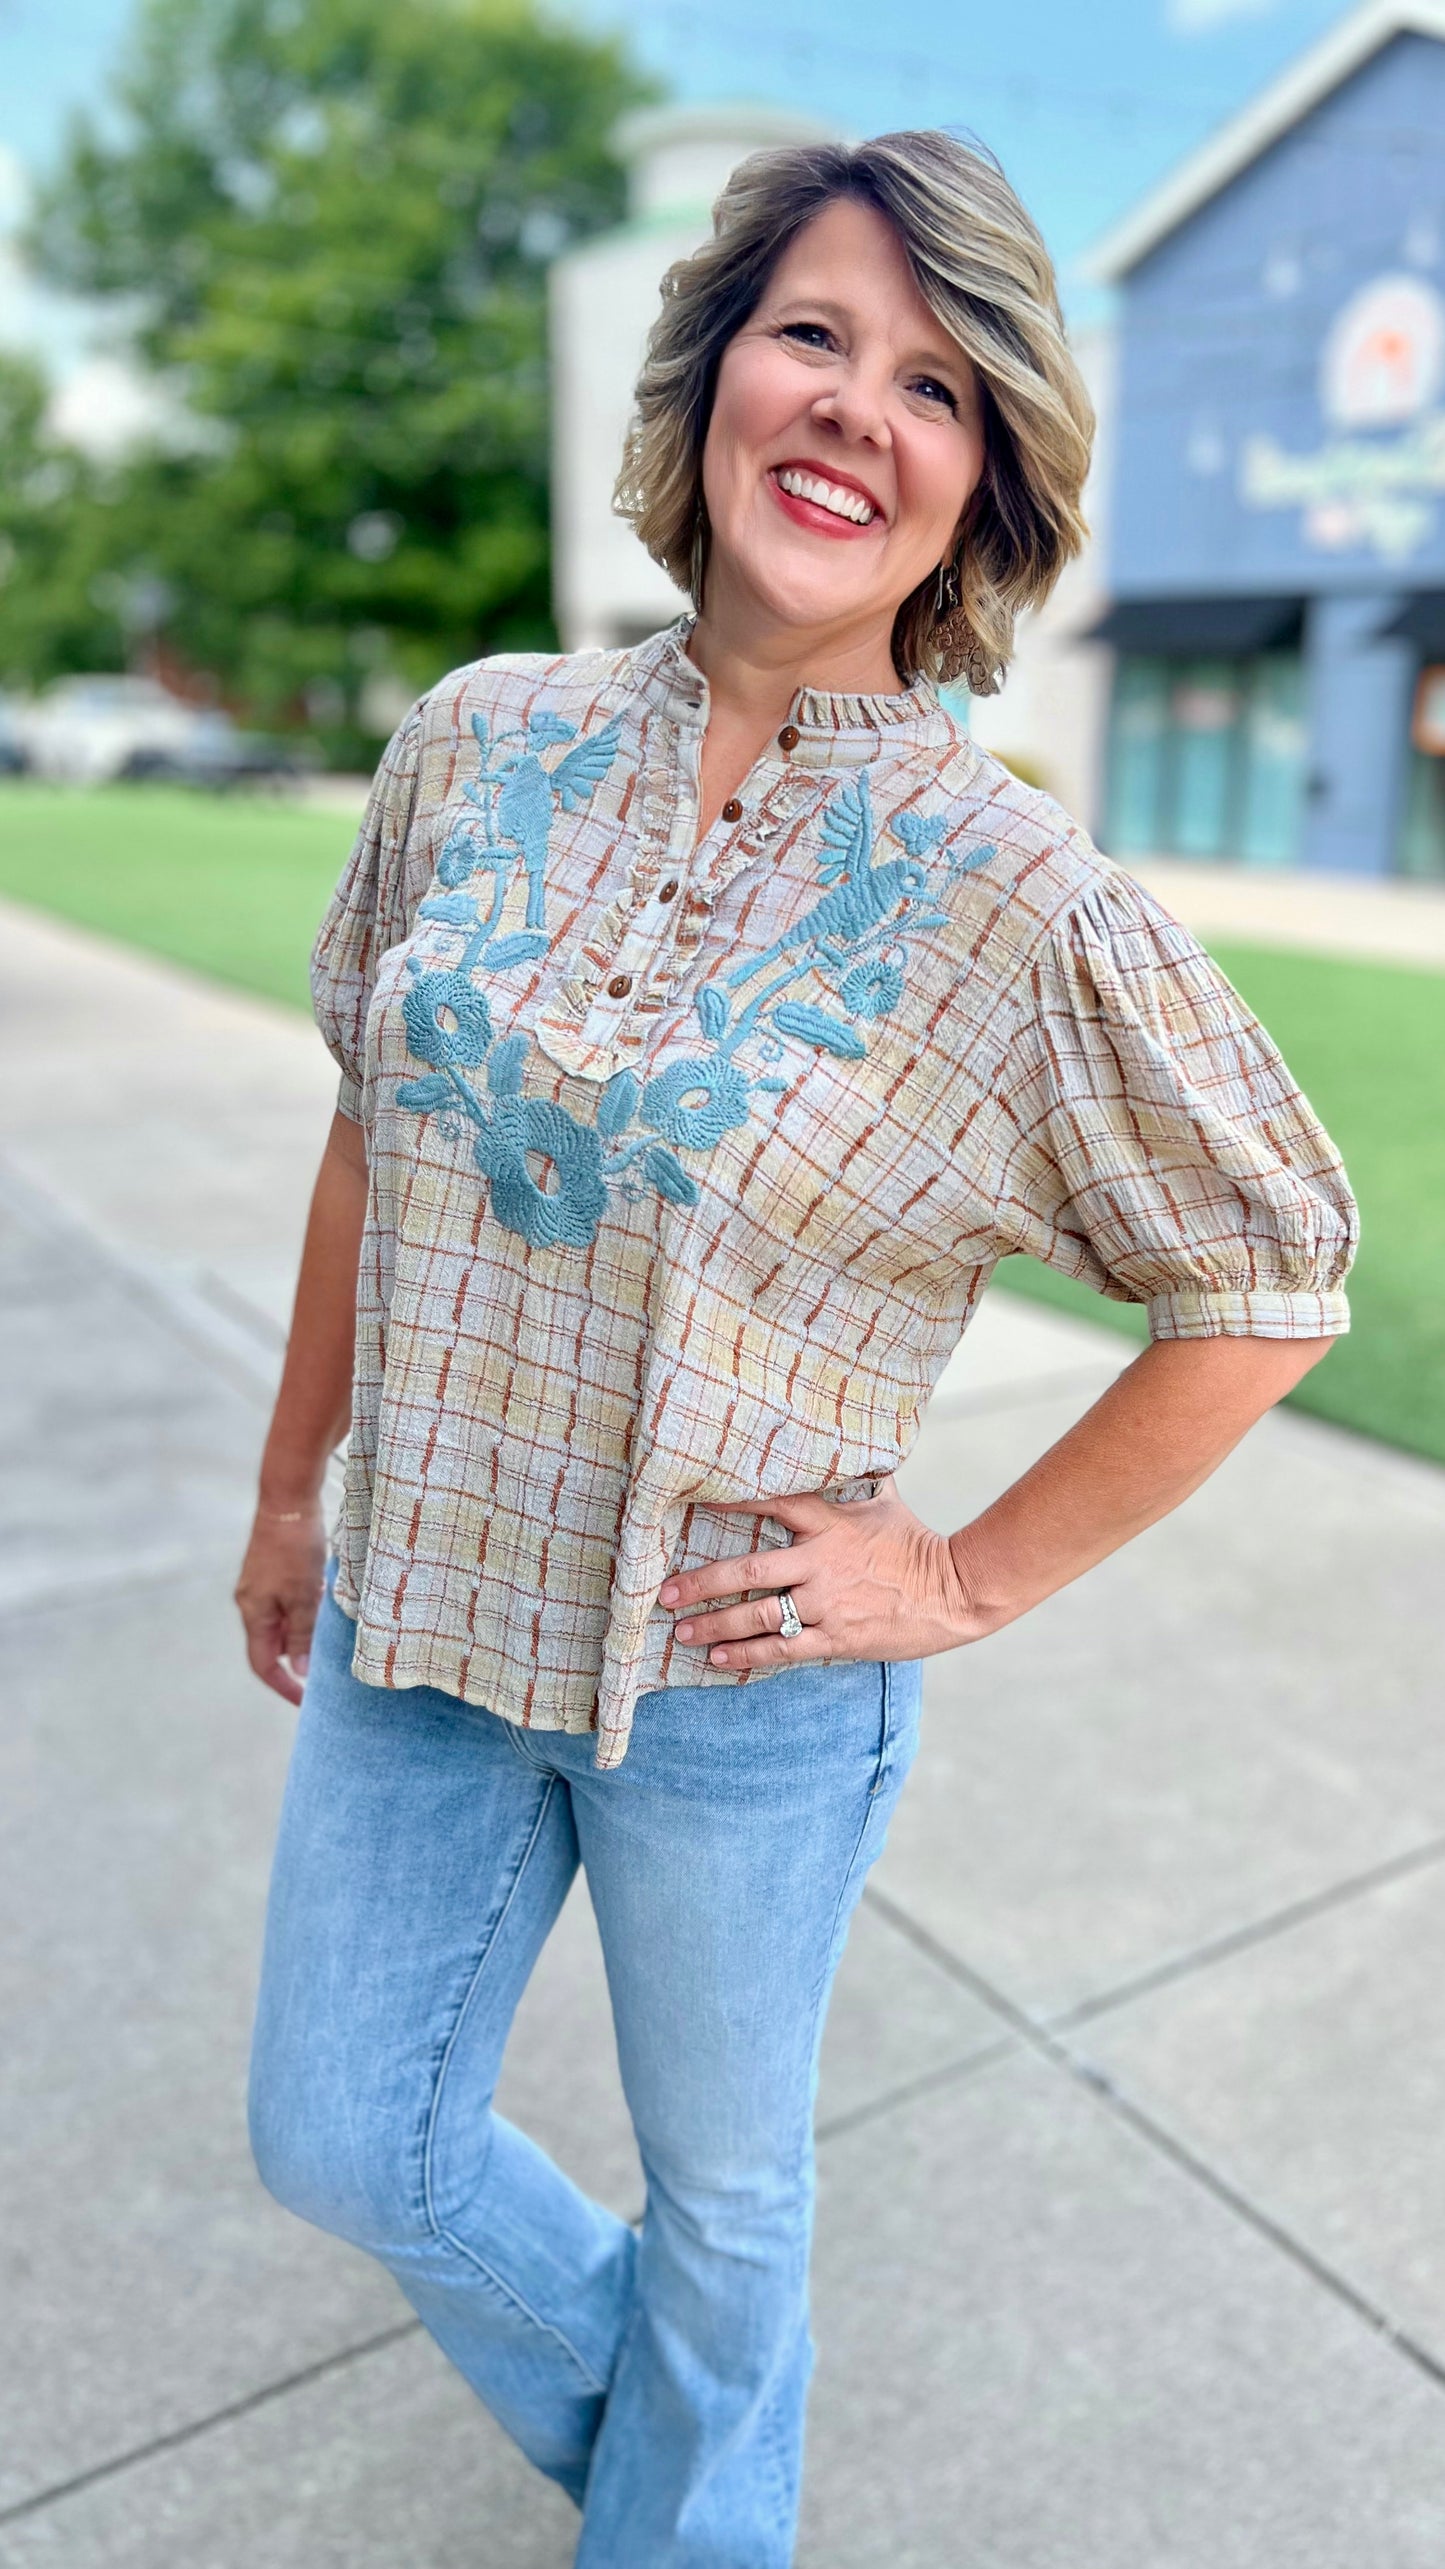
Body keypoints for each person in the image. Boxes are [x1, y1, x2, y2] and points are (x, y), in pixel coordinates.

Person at [237, 130, 1355, 2566]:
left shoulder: (1014, 892)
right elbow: (374, 1112)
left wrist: (956, 1578)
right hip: (419, 1595)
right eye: (816, 335)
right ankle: (691, 2435)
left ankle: (687, 2529)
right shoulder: (483, 735)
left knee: (732, 2202)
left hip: (740, 1672)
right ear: (721, 371)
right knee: (342, 2129)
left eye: (938, 384)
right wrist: (281, 1472)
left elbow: (1271, 1268)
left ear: (986, 483)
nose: (860, 408)